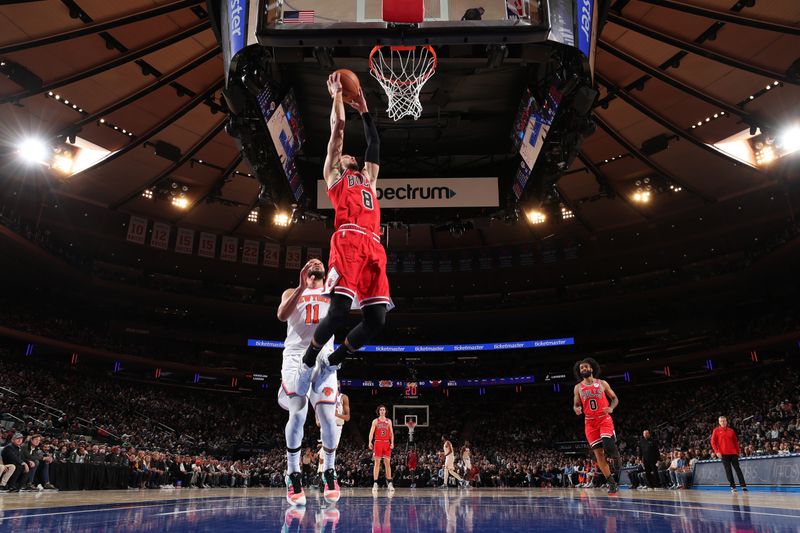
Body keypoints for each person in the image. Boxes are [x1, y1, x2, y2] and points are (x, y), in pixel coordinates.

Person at [297, 72, 391, 394]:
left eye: (355, 155)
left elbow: (374, 143)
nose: (353, 155)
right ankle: (309, 359)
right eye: (349, 154)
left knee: (377, 321)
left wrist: (364, 109)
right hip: (348, 239)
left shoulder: (369, 177)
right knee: (338, 313)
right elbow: (337, 129)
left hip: (374, 246)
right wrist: (337, 95)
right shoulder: (335, 172)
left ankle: (335, 359)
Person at [277, 258, 341, 505]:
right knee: (298, 415)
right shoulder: (292, 292)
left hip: (324, 356)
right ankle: (293, 473)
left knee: (327, 418)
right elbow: (282, 315)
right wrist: (302, 286)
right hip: (295, 356)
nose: (314, 276)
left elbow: (354, 307)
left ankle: (329, 471)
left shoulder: (332, 293)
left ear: (325, 276)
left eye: (318, 273)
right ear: (304, 274)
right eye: (310, 273)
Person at [573, 357, 621, 495]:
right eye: (581, 368)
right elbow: (576, 404)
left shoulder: (602, 383)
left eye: (586, 367)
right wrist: (576, 409)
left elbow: (615, 398)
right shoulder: (578, 388)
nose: (583, 369)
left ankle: (616, 456)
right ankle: (611, 483)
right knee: (599, 454)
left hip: (603, 418)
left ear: (591, 368)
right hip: (590, 422)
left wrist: (611, 408)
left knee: (608, 445)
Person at [711, 416, 748, 492]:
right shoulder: (716, 431)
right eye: (721, 421)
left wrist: (738, 451)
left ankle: (743, 485)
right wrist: (717, 452)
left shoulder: (731, 430)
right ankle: (733, 487)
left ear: (726, 421)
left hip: (733, 453)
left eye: (724, 421)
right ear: (719, 422)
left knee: (738, 469)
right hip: (723, 454)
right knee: (728, 470)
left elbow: (735, 442)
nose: (723, 422)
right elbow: (713, 442)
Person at [368, 405, 394, 491]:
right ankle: (375, 483)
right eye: (381, 410)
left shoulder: (389, 421)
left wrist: (392, 442)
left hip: (386, 442)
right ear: (378, 411)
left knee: (387, 463)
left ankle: (389, 483)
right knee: (377, 463)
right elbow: (371, 432)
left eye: (383, 410)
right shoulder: (375, 421)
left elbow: (391, 433)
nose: (382, 411)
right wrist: (370, 441)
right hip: (378, 442)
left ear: (385, 411)